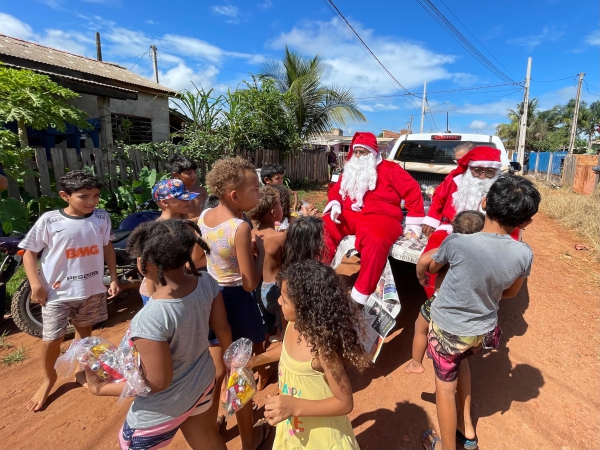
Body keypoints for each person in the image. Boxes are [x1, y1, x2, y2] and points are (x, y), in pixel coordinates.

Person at [78, 219, 232, 450]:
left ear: (143, 263)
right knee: (208, 440)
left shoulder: (149, 320)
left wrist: (97, 388)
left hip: (160, 410)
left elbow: (157, 383)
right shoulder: (206, 282)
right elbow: (223, 328)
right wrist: (230, 362)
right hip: (202, 384)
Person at [421, 175, 540, 450]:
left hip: (449, 330)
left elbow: (431, 269)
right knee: (461, 361)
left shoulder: (457, 242)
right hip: (483, 332)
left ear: (484, 202)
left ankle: (447, 447)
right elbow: (510, 294)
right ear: (525, 222)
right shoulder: (524, 253)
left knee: (444, 390)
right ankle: (469, 430)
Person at [18, 170, 120, 412]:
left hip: (92, 289)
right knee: (51, 339)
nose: (91, 202)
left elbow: (107, 249)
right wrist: (35, 284)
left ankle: (81, 370)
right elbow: (29, 253)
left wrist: (114, 278)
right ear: (65, 195)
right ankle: (48, 379)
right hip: (57, 294)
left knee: (84, 336)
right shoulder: (50, 221)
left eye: (96, 196)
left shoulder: (102, 218)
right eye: (84, 196)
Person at [247, 260, 368, 449]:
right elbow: (287, 351)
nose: (279, 301)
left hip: (320, 439)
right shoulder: (294, 324)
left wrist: (293, 406)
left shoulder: (323, 350)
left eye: (285, 300)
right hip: (295, 427)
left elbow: (345, 403)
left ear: (306, 308)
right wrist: (255, 361)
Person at [198, 156, 270, 450]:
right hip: (237, 301)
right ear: (234, 195)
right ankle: (249, 440)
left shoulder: (203, 218)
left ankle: (214, 422)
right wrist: (261, 253)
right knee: (240, 373)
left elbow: (203, 259)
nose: (259, 193)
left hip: (212, 299)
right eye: (255, 188)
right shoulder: (240, 227)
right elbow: (250, 282)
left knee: (218, 371)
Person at [323, 131, 425, 305]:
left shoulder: (390, 169)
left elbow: (412, 190)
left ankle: (359, 296)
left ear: (373, 153)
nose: (359, 156)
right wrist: (335, 204)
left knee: (376, 239)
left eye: (363, 152)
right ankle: (317, 275)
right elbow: (336, 190)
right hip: (350, 213)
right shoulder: (349, 169)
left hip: (381, 215)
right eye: (356, 152)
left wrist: (414, 221)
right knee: (324, 226)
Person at [420, 146, 511, 298]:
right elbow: (438, 198)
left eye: (489, 172)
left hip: (486, 231)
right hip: (452, 227)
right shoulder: (455, 179)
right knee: (435, 246)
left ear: (496, 171)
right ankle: (435, 296)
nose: (482, 176)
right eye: (477, 170)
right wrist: (431, 220)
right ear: (470, 168)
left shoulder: (502, 188)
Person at [405, 210, 485, 375]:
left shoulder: (450, 247)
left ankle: (415, 363)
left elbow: (423, 260)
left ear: (453, 231)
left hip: (441, 302)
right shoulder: (485, 254)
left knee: (420, 327)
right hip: (471, 306)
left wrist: (421, 277)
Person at [138, 179, 205, 305]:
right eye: (181, 198)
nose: (187, 200)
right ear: (164, 202)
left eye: (187, 197)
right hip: (158, 294)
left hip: (177, 289)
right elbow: (147, 270)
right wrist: (155, 301)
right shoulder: (156, 231)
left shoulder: (185, 224)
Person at [248, 186, 286, 350]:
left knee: (263, 328)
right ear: (273, 212)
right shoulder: (280, 236)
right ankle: (281, 360)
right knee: (284, 328)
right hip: (278, 289)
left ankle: (261, 364)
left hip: (259, 289)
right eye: (279, 205)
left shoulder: (250, 233)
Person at [169, 155, 208, 219]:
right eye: (189, 173)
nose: (194, 175)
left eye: (195, 172)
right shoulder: (173, 195)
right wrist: (201, 219)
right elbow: (176, 221)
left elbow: (208, 209)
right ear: (176, 175)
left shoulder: (201, 191)